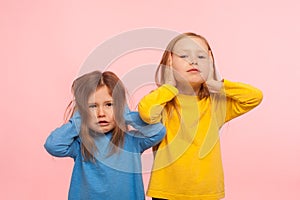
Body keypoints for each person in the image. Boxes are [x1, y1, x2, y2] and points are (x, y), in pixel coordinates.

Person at [138, 32, 263, 200]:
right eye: (183, 55)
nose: (193, 61)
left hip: (207, 193)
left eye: (201, 56)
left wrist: (215, 84)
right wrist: (169, 86)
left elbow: (254, 96)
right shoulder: (163, 100)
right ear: (169, 63)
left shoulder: (216, 103)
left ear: (210, 63)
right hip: (166, 192)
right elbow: (146, 112)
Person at [44, 70, 166, 200]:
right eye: (92, 106)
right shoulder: (82, 143)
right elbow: (53, 145)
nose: (101, 113)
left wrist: (126, 115)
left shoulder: (132, 141)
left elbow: (158, 132)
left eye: (109, 104)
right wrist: (80, 118)